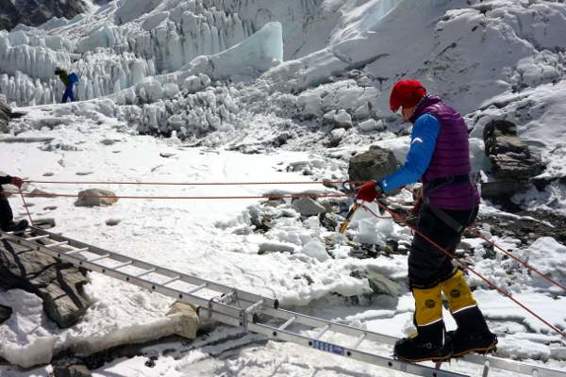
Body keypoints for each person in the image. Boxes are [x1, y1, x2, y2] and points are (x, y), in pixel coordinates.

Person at [355, 80, 497, 362]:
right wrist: (428, 191)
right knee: (441, 266)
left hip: (446, 206)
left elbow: (415, 167)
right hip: (462, 201)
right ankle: (474, 333)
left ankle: (430, 341)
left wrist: (378, 186)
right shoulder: (448, 113)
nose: (401, 117)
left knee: (421, 270)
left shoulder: (427, 120)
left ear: (407, 105)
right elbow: (447, 163)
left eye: (399, 110)